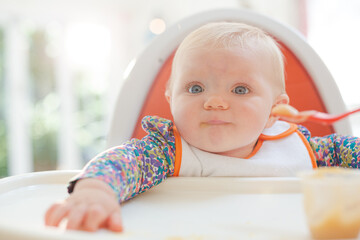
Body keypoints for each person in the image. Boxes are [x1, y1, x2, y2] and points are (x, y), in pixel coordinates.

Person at [44, 22, 360, 232]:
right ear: (170, 98)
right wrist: (97, 190)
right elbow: (123, 162)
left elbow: (348, 153)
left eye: (239, 90)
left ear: (275, 109)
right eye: (196, 88)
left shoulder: (300, 148)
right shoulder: (167, 152)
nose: (215, 102)